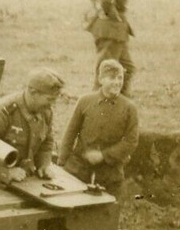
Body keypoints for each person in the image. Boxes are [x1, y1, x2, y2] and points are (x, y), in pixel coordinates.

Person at [58, 59, 139, 197]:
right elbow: (70, 134)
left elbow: (131, 142)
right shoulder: (85, 101)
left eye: (120, 78)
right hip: (79, 168)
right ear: (100, 79)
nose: (117, 82)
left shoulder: (129, 108)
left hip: (111, 172)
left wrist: (104, 156)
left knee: (108, 211)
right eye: (112, 78)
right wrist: (62, 162)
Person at [0, 68, 65, 182]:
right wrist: (5, 171)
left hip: (26, 180)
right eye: (49, 99)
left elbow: (46, 143)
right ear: (33, 92)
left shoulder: (45, 112)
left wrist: (44, 165)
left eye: (54, 100)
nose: (52, 105)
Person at [85, 0, 136, 95]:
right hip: (111, 30)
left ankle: (121, 104)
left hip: (110, 30)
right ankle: (97, 106)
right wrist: (111, 14)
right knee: (106, 72)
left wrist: (98, 7)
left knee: (127, 67)